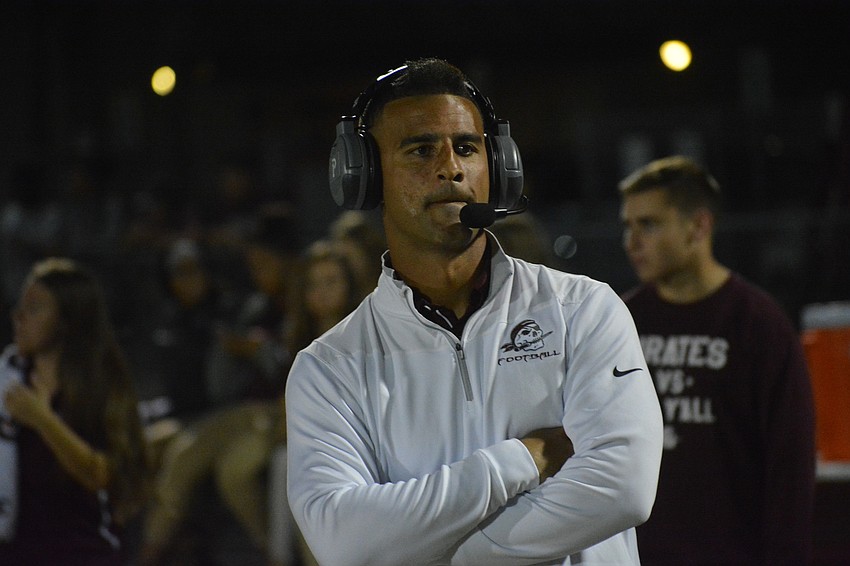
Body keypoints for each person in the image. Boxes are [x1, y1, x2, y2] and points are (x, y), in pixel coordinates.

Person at [286, 57, 663, 566]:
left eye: (466, 147)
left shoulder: (584, 309)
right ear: (366, 178)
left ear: (499, 167)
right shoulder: (328, 368)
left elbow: (623, 488)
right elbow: (344, 543)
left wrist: (449, 555)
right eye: (421, 150)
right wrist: (522, 459)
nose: (451, 167)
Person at [618, 155, 816, 565]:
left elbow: (790, 468)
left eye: (649, 225)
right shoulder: (621, 321)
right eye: (628, 226)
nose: (631, 242)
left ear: (699, 226)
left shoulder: (759, 326)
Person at [0, 257, 151, 565]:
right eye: (20, 305)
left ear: (69, 320)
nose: (19, 315)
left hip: (83, 553)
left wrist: (42, 419)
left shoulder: (102, 388)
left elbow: (101, 476)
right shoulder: (6, 381)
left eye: (35, 307)